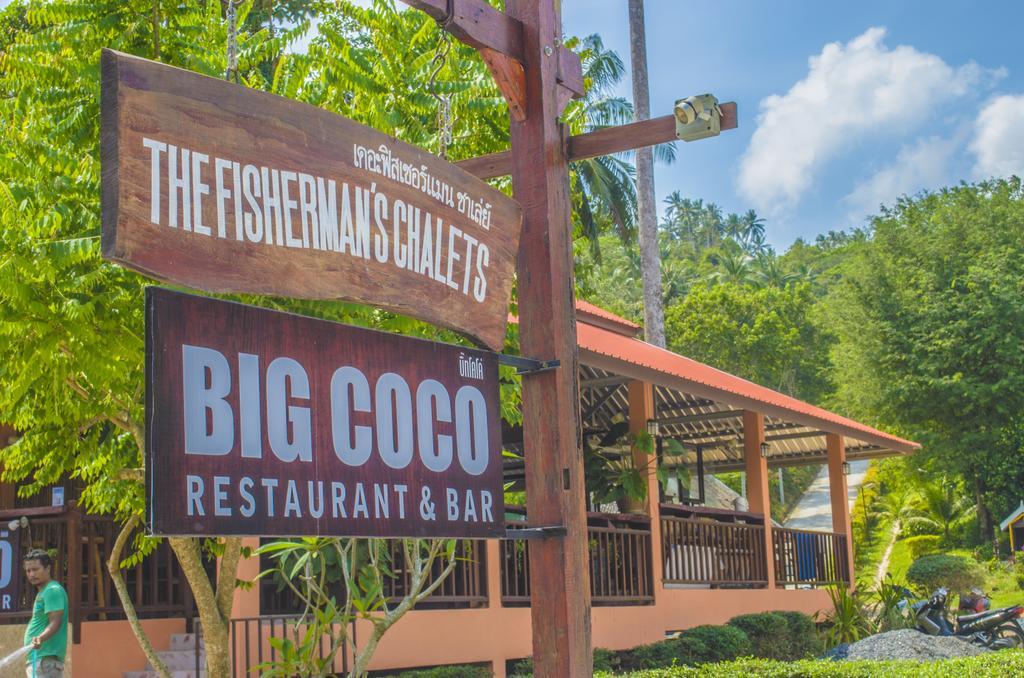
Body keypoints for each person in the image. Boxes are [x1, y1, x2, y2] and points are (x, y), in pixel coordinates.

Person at [22, 549, 67, 678]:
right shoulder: (45, 591)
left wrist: (40, 638)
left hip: (44, 662)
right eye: (28, 571)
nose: (31, 574)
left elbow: (55, 621)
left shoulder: (52, 590)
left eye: (35, 569)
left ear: (48, 568)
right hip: (41, 661)